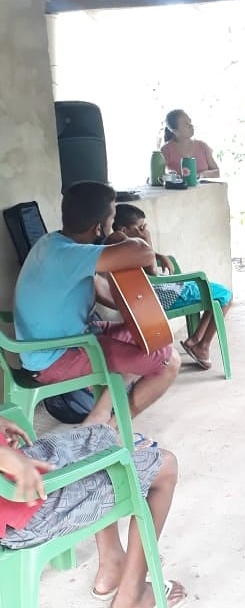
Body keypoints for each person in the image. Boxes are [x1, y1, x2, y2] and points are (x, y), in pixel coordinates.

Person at [13, 181, 181, 427]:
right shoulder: (69, 254)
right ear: (98, 228)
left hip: (55, 344)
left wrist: (135, 309)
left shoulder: (53, 243)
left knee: (145, 338)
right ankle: (109, 430)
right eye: (112, 219)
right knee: (168, 360)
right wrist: (121, 238)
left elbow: (102, 290)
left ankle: (99, 415)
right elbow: (143, 254)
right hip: (55, 356)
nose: (112, 225)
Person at [0, 414, 187, 608]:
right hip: (23, 509)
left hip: (15, 484)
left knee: (100, 436)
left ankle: (112, 565)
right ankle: (130, 598)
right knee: (165, 466)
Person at [113, 203, 232, 371]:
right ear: (124, 230)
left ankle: (196, 340)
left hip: (155, 293)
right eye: (139, 228)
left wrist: (158, 254)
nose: (143, 231)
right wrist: (147, 240)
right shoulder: (133, 248)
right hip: (161, 297)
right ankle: (202, 346)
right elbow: (153, 271)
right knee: (225, 295)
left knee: (216, 294)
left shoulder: (116, 247)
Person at [160, 109, 220, 178]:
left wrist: (202, 175)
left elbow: (217, 172)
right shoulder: (166, 150)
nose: (191, 125)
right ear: (174, 130)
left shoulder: (202, 146)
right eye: (186, 124)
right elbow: (159, 177)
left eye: (190, 122)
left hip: (205, 189)